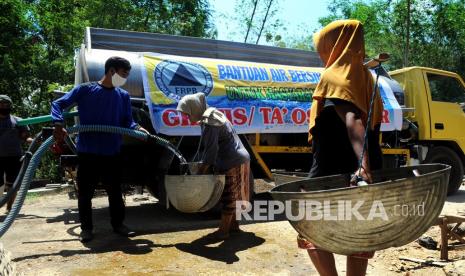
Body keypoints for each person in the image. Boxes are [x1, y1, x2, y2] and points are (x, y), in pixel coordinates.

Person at [300, 20, 384, 276]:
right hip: (359, 172)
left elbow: (353, 120)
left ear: (333, 44)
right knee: (357, 233)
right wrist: (367, 169)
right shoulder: (366, 76)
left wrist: (363, 167)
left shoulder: (334, 74)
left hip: (332, 172)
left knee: (310, 226)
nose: (319, 52)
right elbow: (368, 121)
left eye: (321, 46)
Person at [51, 56, 148, 243]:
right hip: (88, 152)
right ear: (111, 71)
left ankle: (118, 225)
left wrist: (137, 128)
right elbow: (58, 104)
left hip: (112, 152)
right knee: (85, 194)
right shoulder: (85, 90)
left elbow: (128, 121)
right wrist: (57, 123)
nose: (125, 78)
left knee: (115, 192)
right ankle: (86, 229)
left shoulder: (123, 96)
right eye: (123, 74)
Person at [177, 92, 250, 239]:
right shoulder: (212, 114)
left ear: (195, 108)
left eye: (187, 114)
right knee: (236, 194)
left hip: (232, 160)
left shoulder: (210, 121)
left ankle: (223, 231)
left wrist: (201, 172)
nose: (186, 118)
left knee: (228, 195)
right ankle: (234, 226)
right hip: (239, 157)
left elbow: (211, 151)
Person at [0, 95, 32, 212]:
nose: (3, 106)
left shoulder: (18, 121)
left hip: (14, 157)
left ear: (10, 106)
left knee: (13, 185)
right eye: (1, 104)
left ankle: (9, 208)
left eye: (6, 104)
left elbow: (26, 137)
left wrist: (31, 141)